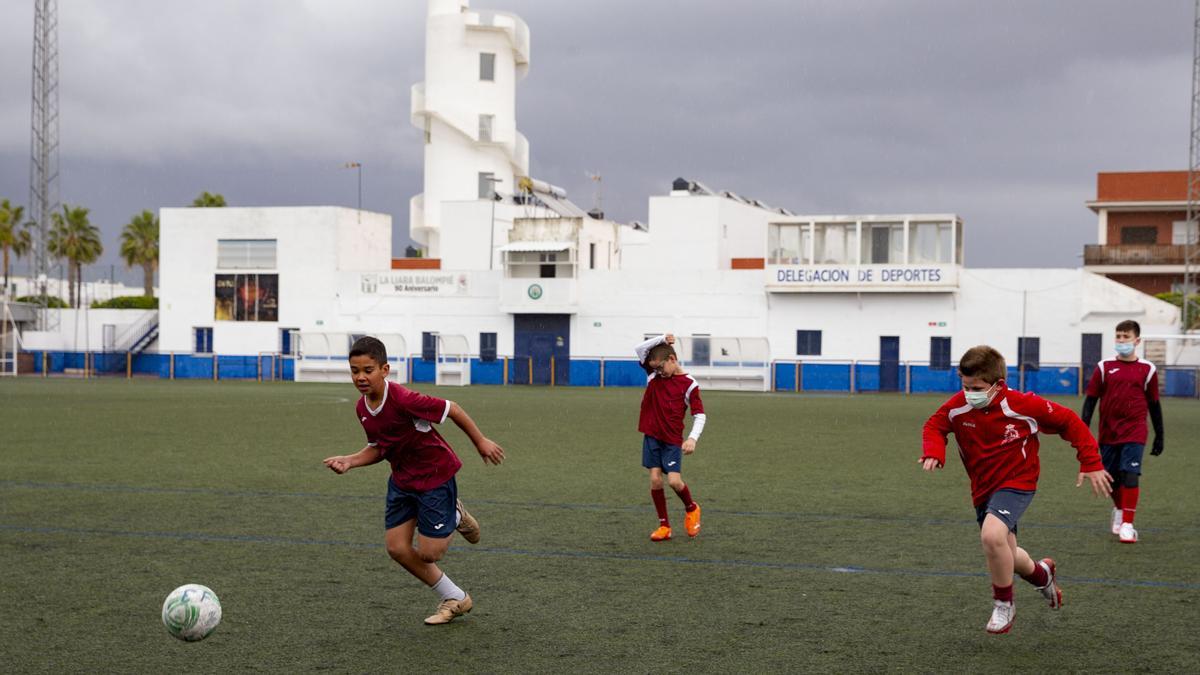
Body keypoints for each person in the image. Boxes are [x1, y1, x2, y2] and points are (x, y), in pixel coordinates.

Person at [920, 345, 1111, 634]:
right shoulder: (959, 405)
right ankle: (1040, 574)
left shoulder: (1022, 404)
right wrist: (935, 450)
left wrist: (1091, 462)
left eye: (977, 387)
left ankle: (1003, 604)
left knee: (992, 536)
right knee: (1006, 549)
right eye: (965, 385)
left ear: (998, 385)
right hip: (983, 488)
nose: (970, 393)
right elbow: (934, 425)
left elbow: (1070, 421)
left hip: (1017, 482)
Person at [323, 336, 505, 625]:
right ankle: (455, 597)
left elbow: (452, 408)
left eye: (368, 370)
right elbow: (380, 447)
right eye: (355, 371)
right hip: (402, 481)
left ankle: (455, 514)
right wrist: (350, 460)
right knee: (397, 548)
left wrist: (480, 441)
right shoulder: (362, 409)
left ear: (385, 369)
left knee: (431, 554)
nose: (360, 377)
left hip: (434, 476)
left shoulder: (404, 399)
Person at [1080, 319, 1165, 544]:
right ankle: (1119, 510)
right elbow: (1090, 401)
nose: (1121, 341)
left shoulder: (1148, 369)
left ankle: (1128, 523)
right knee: (1112, 478)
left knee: (1130, 474)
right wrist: (1082, 430)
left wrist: (1160, 435)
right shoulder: (1104, 367)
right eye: (1118, 337)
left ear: (1137, 340)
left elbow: (1154, 404)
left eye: (1126, 337)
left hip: (1135, 430)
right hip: (1109, 432)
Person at [635, 333, 706, 541]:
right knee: (655, 480)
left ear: (672, 360)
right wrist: (660, 339)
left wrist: (692, 438)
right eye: (654, 369)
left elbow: (699, 414)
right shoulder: (653, 376)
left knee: (675, 482)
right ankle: (664, 526)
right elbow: (639, 350)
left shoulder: (690, 384)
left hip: (672, 440)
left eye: (661, 367)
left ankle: (691, 508)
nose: (658, 372)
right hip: (652, 436)